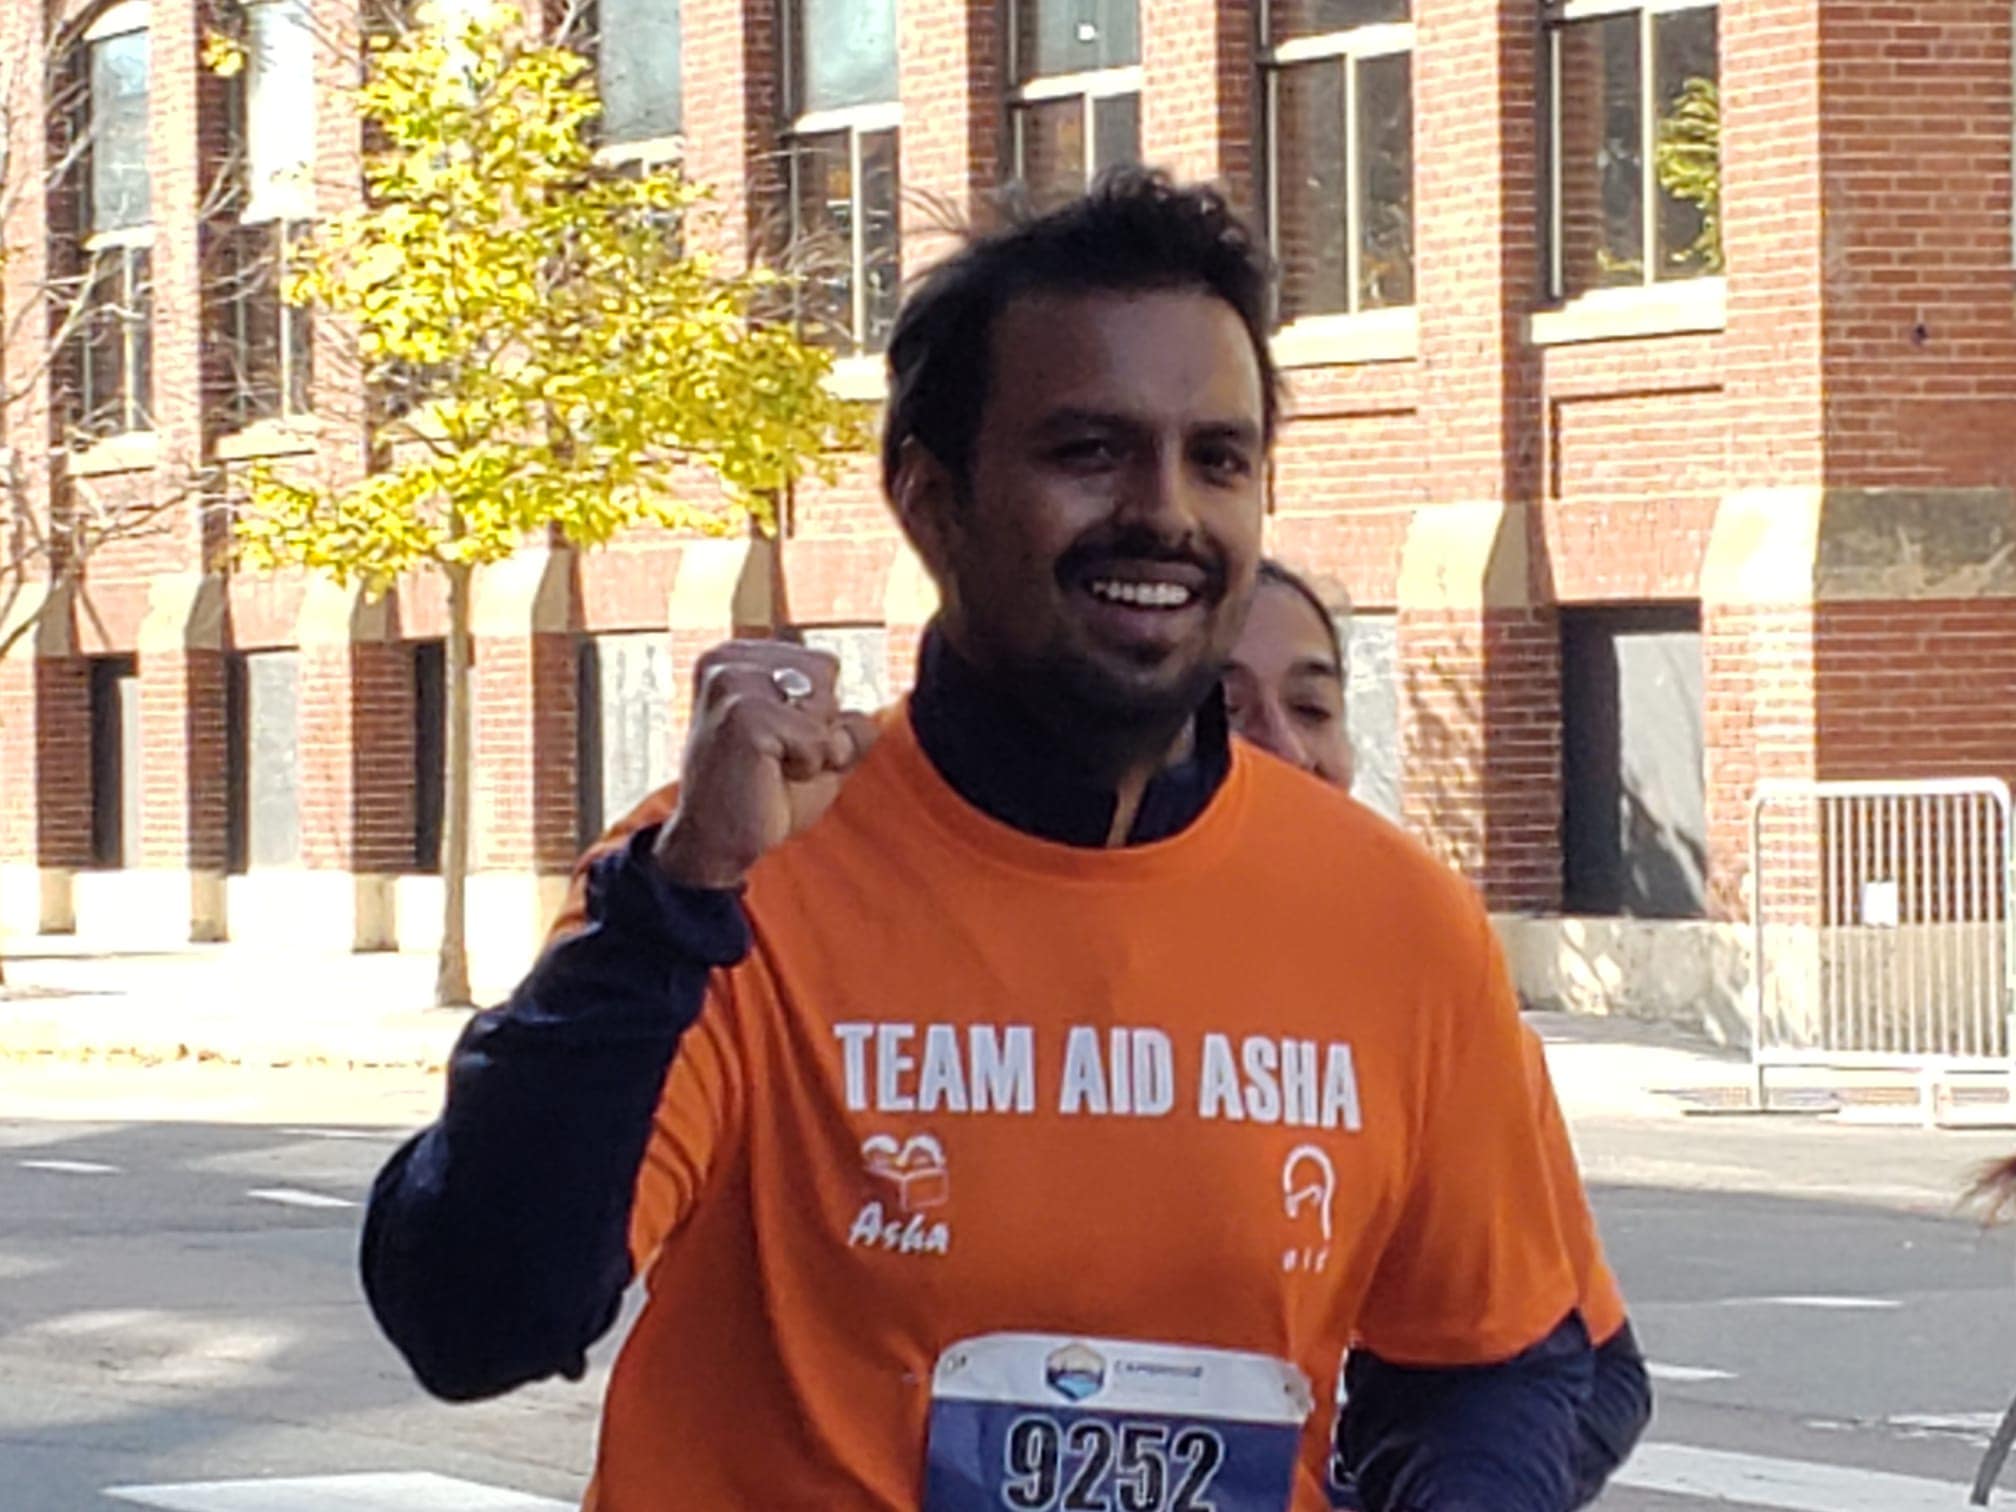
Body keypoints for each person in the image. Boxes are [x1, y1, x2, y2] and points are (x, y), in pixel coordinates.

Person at [360, 171, 1594, 1512]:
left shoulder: (1393, 920)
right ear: (930, 500)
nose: (1166, 513)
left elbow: (1503, 1360)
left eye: (1218, 459)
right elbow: (479, 1317)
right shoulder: (729, 881)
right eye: (1089, 452)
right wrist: (674, 903)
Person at [1220, 558, 1654, 1509]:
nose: (1283, 748)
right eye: (1224, 709)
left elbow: (1540, 1365)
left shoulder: (1416, 956)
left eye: (1314, 708)